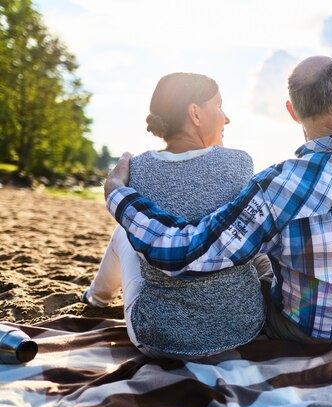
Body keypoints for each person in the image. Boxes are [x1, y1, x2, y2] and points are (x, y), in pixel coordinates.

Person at [104, 56, 332, 344]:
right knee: (264, 244)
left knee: (255, 243)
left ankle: (97, 294)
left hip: (307, 331)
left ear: (292, 111)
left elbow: (181, 254)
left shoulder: (278, 187)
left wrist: (120, 197)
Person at [84, 72, 266, 359]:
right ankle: (96, 297)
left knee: (126, 231)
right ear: (195, 113)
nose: (226, 118)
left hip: (160, 339)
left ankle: (96, 298)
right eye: (219, 106)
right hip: (241, 330)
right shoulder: (239, 163)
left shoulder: (138, 170)